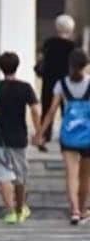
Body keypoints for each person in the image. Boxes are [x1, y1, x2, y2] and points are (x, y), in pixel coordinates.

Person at [0, 52, 42, 225]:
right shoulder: (25, 87)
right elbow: (34, 110)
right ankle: (20, 209)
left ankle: (9, 211)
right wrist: (38, 131)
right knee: (20, 174)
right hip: (19, 137)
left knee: (3, 174)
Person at [34, 48, 90, 225]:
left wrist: (40, 133)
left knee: (71, 174)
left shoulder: (61, 84)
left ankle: (73, 210)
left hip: (68, 135)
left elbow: (51, 111)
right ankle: (82, 210)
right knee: (85, 176)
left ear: (70, 64)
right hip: (88, 135)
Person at [37, 14, 77, 150]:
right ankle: (67, 138)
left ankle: (43, 137)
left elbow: (41, 59)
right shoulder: (72, 46)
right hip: (67, 83)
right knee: (67, 110)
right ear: (71, 29)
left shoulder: (48, 43)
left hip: (49, 81)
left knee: (47, 109)